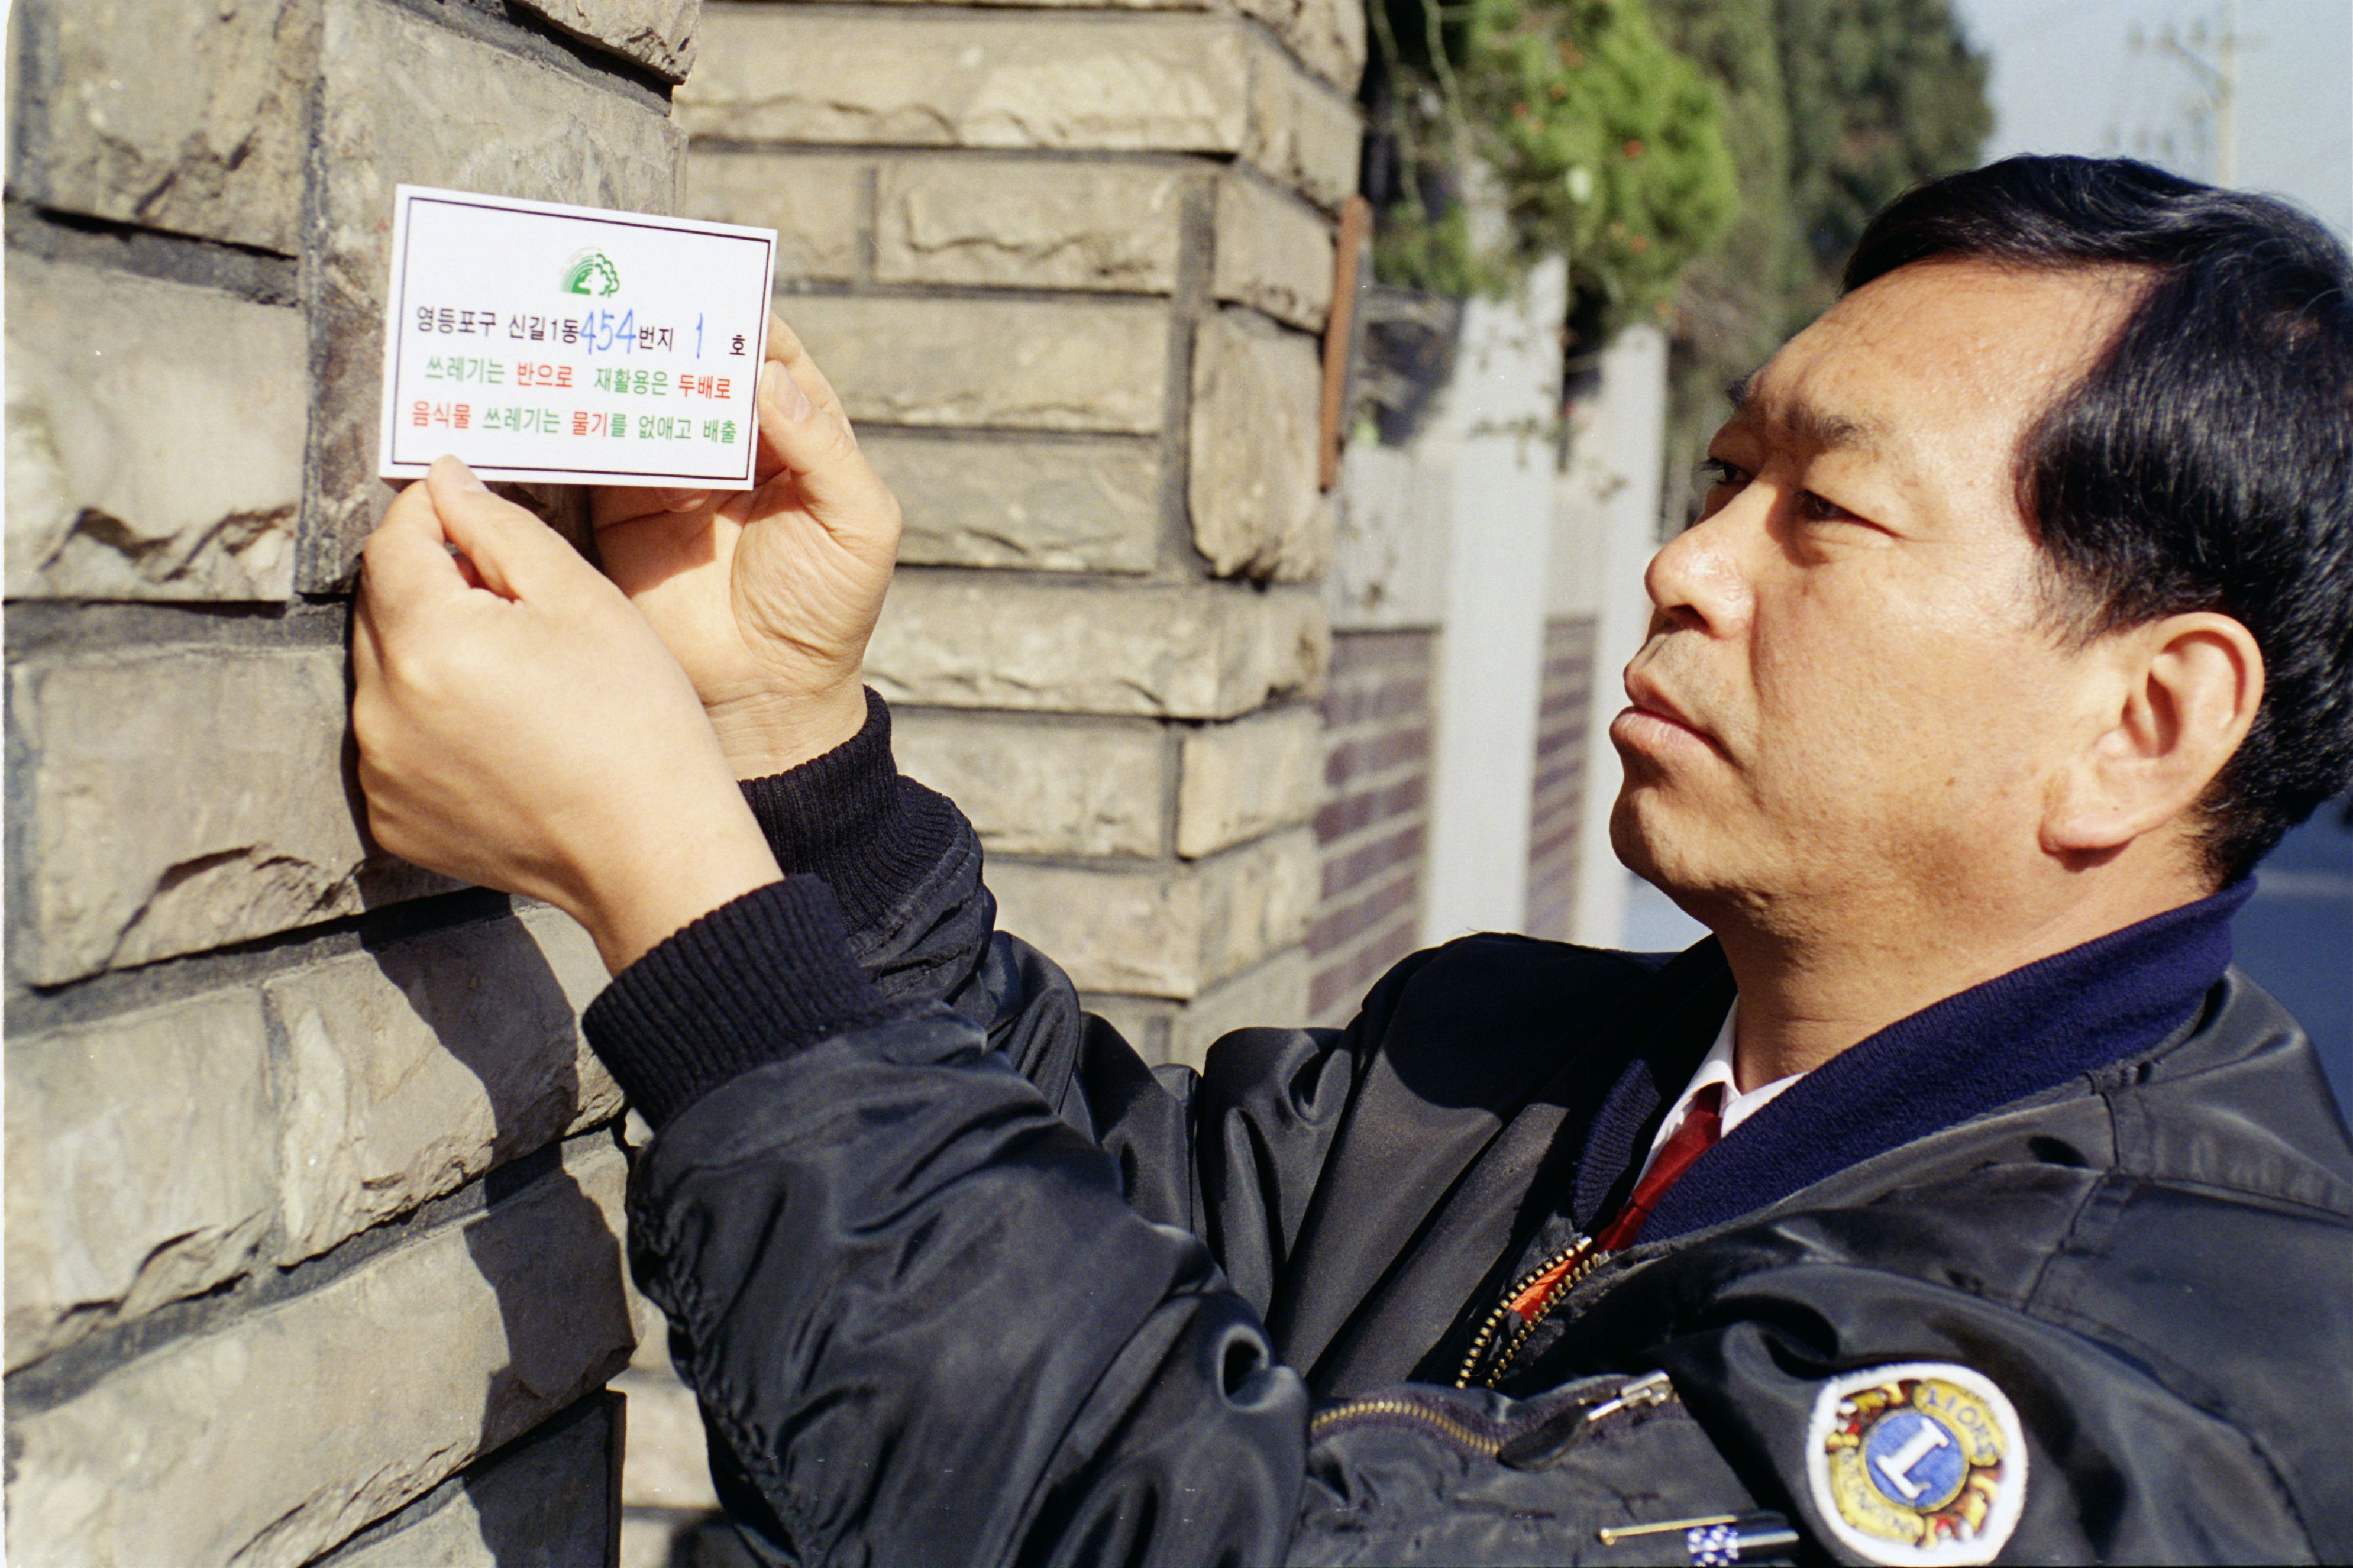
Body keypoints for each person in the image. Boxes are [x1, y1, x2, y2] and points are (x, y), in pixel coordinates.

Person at [352, 156, 2353, 1564]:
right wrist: (790, 765)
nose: (1684, 562)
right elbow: (1079, 1232)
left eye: (1819, 512)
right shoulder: (1518, 1054)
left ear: (2143, 720)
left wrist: (679, 897)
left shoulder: (2116, 1400)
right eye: (1721, 476)